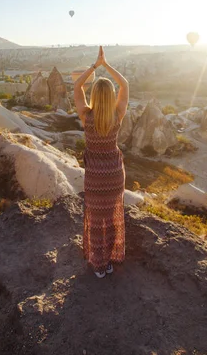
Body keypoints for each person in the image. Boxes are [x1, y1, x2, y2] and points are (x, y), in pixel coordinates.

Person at [74, 46, 129, 279]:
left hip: (95, 174)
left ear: (95, 96)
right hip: (115, 173)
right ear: (111, 96)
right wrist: (107, 66)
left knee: (96, 219)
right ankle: (110, 260)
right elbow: (125, 85)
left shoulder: (86, 116)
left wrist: (95, 66)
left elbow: (77, 87)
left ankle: (99, 264)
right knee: (112, 216)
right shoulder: (118, 114)